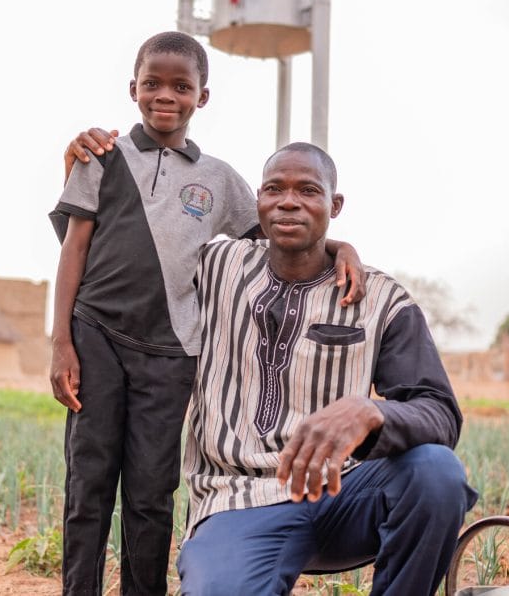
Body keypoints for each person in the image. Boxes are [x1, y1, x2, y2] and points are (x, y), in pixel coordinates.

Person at [49, 31, 364, 595]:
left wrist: (343, 248)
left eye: (180, 86)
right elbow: (74, 247)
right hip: (94, 334)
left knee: (150, 490)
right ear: (133, 89)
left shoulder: (219, 179)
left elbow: (280, 233)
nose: (164, 96)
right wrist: (61, 343)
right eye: (152, 84)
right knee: (88, 483)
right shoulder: (101, 155)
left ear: (202, 97)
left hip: (172, 355)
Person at [177, 142, 478, 596]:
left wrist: (371, 411)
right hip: (236, 499)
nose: (289, 201)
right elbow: (134, 253)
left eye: (308, 190)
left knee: (436, 471)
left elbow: (439, 412)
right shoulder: (215, 268)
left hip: (344, 495)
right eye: (274, 189)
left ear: (334, 205)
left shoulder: (380, 299)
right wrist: (90, 178)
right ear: (258, 200)